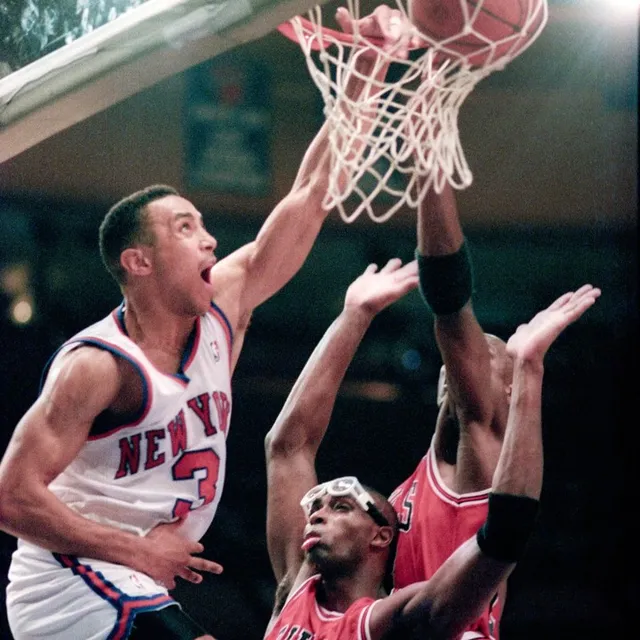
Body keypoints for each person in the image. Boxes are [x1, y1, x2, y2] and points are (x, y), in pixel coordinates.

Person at [0, 7, 417, 639]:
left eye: (203, 224)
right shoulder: (98, 366)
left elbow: (309, 195)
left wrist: (369, 67)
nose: (210, 240)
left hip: (133, 578)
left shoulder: (223, 306)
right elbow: (10, 497)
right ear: (138, 262)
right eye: (184, 228)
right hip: (70, 576)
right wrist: (135, 550)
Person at [263, 255, 600, 639]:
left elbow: (505, 534)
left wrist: (528, 367)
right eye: (318, 506)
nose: (316, 514)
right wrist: (353, 314)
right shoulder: (296, 595)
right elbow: (286, 448)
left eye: (341, 506)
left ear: (381, 536)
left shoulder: (386, 621)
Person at [387, 179, 531, 639]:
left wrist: (430, 169)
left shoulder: (484, 444)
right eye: (460, 356)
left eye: (486, 356)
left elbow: (450, 303)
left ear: (508, 392)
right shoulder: (402, 493)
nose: (462, 360)